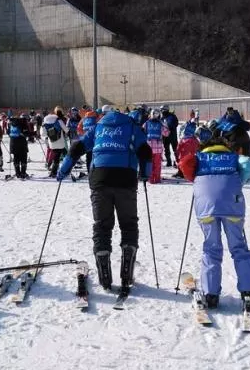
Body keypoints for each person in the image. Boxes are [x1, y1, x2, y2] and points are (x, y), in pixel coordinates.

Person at [57, 105, 151, 296]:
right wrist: (145, 174)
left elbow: (77, 147)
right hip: (126, 178)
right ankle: (127, 273)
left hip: (100, 178)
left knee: (102, 226)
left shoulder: (99, 127)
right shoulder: (132, 126)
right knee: (129, 225)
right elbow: (145, 151)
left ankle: (104, 276)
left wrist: (63, 170)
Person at [178, 134, 250, 308]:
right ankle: (248, 291)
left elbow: (184, 164)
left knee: (211, 248)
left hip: (205, 205)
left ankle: (211, 293)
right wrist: (240, 180)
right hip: (232, 204)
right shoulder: (232, 157)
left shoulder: (200, 158)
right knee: (238, 247)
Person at [143, 108, 168, 184]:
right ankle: (156, 179)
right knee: (156, 165)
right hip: (157, 148)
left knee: (150, 164)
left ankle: (152, 179)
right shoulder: (160, 123)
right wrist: (165, 125)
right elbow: (166, 133)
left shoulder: (146, 123)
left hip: (150, 147)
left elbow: (141, 132)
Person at [41, 107, 68, 178]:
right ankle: (59, 171)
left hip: (52, 143)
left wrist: (50, 134)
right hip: (61, 142)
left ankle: (54, 171)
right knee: (63, 155)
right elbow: (66, 129)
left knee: (57, 156)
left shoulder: (45, 122)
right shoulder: (58, 120)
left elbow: (43, 134)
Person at [8, 113, 32, 179]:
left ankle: (17, 173)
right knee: (23, 158)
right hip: (22, 144)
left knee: (16, 158)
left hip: (13, 143)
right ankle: (23, 173)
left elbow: (8, 132)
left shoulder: (11, 123)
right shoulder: (23, 123)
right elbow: (27, 133)